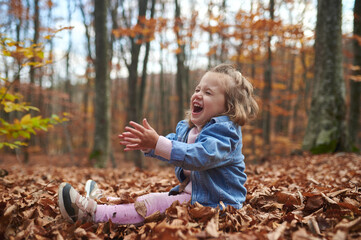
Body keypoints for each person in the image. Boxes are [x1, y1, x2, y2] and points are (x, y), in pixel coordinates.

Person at [58, 63, 259, 225]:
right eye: (197, 89)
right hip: (196, 197)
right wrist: (150, 145)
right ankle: (105, 202)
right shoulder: (189, 128)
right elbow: (171, 143)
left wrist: (158, 143)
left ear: (228, 106)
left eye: (208, 93)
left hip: (218, 204)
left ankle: (91, 213)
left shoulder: (226, 133)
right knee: (152, 198)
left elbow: (200, 156)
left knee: (152, 204)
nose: (198, 94)